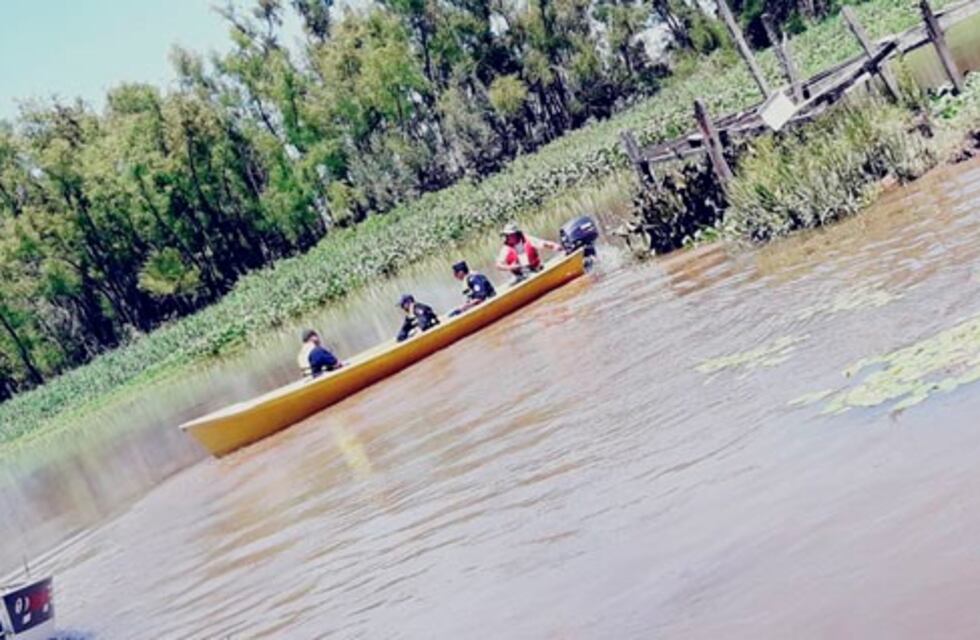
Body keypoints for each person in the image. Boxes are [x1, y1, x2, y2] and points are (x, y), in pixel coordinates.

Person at [495, 222, 563, 282]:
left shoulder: (528, 239)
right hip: (521, 276)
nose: (508, 237)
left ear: (516, 234)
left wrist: (556, 246)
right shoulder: (506, 248)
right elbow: (498, 265)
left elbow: (544, 244)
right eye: (507, 235)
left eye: (510, 235)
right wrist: (511, 267)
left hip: (536, 269)